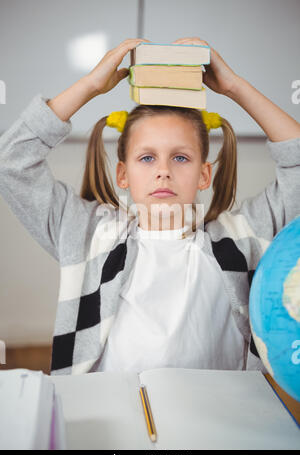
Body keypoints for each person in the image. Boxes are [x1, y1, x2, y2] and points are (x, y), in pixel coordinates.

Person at [0, 38, 299, 375]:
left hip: (218, 416)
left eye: (180, 157)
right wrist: (89, 86)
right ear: (123, 174)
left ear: (204, 175)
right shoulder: (87, 235)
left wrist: (235, 87)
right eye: (147, 157)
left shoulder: (243, 239)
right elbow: (12, 161)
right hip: (112, 414)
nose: (163, 170)